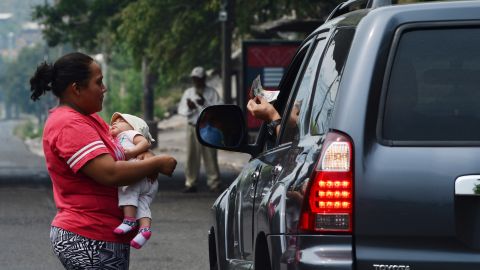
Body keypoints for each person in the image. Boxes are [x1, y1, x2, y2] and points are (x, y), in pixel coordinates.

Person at [29, 52, 177, 270]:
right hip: (88, 236)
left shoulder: (88, 119)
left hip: (101, 236)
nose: (104, 88)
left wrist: (145, 156)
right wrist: (156, 163)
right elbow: (110, 173)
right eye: (98, 82)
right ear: (76, 88)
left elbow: (121, 152)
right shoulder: (69, 124)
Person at [109, 112, 158, 249]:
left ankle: (129, 220)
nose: (115, 122)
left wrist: (131, 152)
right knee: (142, 204)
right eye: (113, 122)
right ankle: (144, 229)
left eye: (120, 121)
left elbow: (144, 143)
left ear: (135, 127)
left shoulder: (129, 134)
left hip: (137, 173)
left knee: (126, 189)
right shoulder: (116, 138)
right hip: (148, 181)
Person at [177, 66, 222, 193]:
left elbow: (218, 109)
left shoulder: (212, 92)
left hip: (208, 126)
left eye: (199, 79)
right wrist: (190, 107)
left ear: (204, 79)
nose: (196, 82)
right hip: (192, 127)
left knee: (210, 155)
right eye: (194, 79)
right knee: (191, 156)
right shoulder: (188, 92)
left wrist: (204, 103)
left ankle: (214, 183)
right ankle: (191, 182)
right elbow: (181, 110)